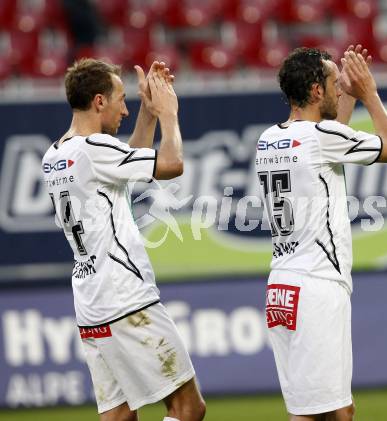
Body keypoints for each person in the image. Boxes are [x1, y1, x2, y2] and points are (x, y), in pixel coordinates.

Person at [42, 59, 206, 421]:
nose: (126, 108)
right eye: (121, 99)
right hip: (126, 298)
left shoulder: (55, 154)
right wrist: (168, 113)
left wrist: (147, 115)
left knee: (118, 416)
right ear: (99, 101)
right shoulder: (95, 148)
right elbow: (171, 163)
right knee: (188, 408)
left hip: (90, 305)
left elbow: (124, 170)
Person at [255, 45, 387, 421]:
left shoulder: (268, 138)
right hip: (317, 287)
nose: (340, 89)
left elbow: (330, 136)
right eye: (335, 83)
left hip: (281, 286)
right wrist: (369, 94)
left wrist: (349, 95)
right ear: (316, 91)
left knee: (318, 409)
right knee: (331, 411)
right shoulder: (319, 138)